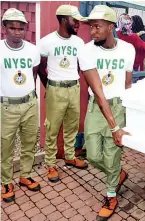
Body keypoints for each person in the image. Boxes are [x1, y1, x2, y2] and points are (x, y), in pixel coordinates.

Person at [83, 5, 134, 220]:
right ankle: (117, 174)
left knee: (112, 154)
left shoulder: (128, 50)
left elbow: (128, 82)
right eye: (91, 27)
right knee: (93, 155)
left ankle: (111, 194)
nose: (92, 32)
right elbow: (98, 92)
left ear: (111, 27)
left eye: (97, 27)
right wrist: (114, 126)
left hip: (118, 105)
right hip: (97, 105)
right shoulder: (86, 50)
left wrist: (128, 113)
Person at [39, 5, 89, 183]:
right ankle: (51, 164)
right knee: (52, 128)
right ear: (62, 19)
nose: (77, 24)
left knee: (72, 125)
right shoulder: (46, 42)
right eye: (74, 20)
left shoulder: (79, 42)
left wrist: (72, 79)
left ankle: (69, 156)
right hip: (56, 89)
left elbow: (78, 65)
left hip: (73, 88)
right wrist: (51, 86)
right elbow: (41, 68)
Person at [1, 8, 43, 202]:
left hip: (29, 104)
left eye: (21, 28)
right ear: (5, 28)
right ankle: (6, 182)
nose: (17, 32)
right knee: (6, 146)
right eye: (12, 28)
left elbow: (33, 74)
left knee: (29, 143)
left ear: (25, 29)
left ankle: (25, 176)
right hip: (7, 107)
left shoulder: (33, 50)